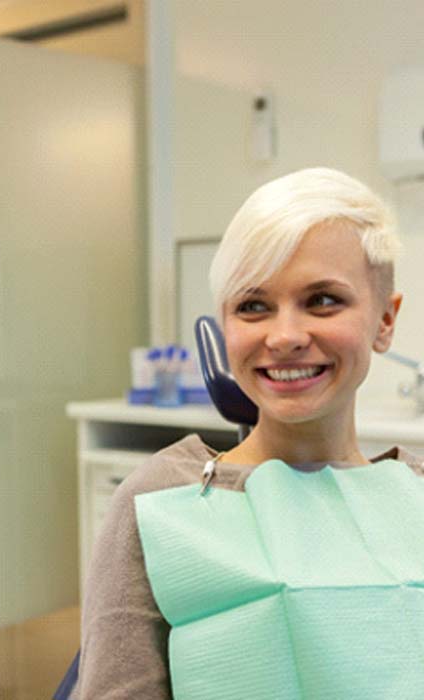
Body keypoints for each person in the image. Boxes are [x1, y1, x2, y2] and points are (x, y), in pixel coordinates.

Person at [72, 167, 424, 699]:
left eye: (323, 299)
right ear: (223, 326)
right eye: (253, 306)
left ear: (385, 321)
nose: (284, 337)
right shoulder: (158, 501)